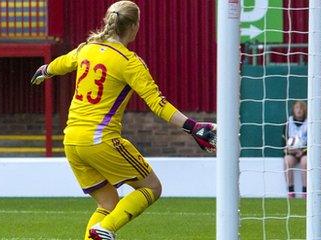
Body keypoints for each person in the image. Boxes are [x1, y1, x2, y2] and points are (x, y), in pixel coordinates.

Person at [30, 1, 216, 239]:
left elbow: (63, 63)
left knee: (108, 203)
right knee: (151, 187)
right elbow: (157, 103)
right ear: (135, 26)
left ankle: (100, 229)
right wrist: (193, 127)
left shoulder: (87, 48)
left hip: (72, 141)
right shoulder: (129, 62)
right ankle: (107, 228)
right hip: (100, 140)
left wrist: (45, 70)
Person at [284, 101, 308, 199]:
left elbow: (312, 142)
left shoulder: (309, 123)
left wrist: (302, 151)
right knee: (287, 160)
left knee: (305, 161)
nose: (299, 110)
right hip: (292, 152)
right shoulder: (288, 122)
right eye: (297, 108)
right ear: (293, 110)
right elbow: (284, 140)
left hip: (305, 152)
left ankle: (305, 191)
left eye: (301, 108)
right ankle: (290, 190)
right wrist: (290, 150)